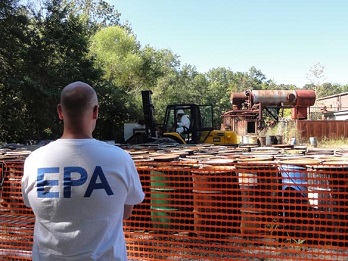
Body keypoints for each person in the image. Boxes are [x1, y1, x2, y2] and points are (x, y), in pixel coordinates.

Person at [21, 81, 145, 261]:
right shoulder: (120, 159)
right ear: (96, 111)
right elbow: (126, 211)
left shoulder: (34, 160)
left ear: (60, 112)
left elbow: (31, 205)